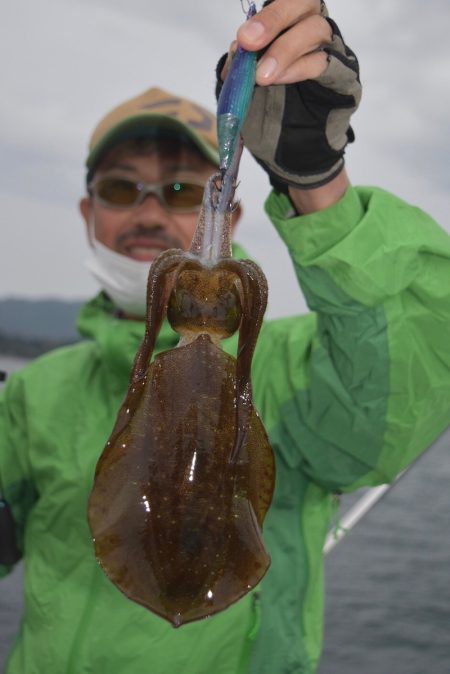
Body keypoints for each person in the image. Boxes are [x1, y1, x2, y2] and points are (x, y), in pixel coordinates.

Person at [1, 1, 450, 673]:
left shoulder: (286, 375)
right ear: (89, 211)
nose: (150, 209)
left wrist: (316, 181)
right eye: (124, 187)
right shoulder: (35, 394)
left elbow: (416, 371)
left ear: (228, 217)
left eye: (183, 187)